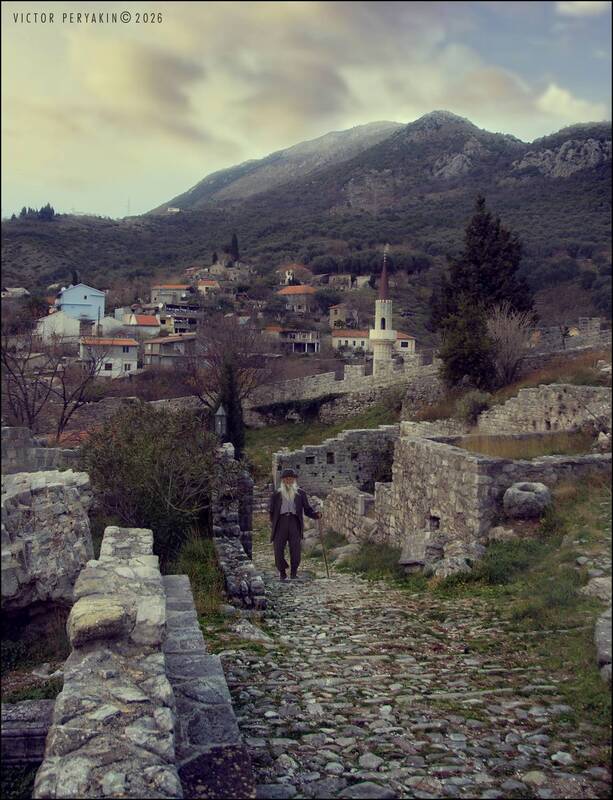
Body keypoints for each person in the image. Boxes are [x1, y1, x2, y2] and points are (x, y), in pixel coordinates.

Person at [269, 468, 321, 580]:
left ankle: (293, 573)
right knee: (278, 549)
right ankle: (282, 572)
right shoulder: (276, 494)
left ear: (294, 480)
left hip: (294, 523)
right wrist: (274, 523)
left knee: (296, 549)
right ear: (283, 480)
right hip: (280, 523)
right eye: (287, 479)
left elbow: (307, 509)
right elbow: (272, 511)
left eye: (291, 478)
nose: (289, 481)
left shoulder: (301, 493)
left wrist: (315, 515)